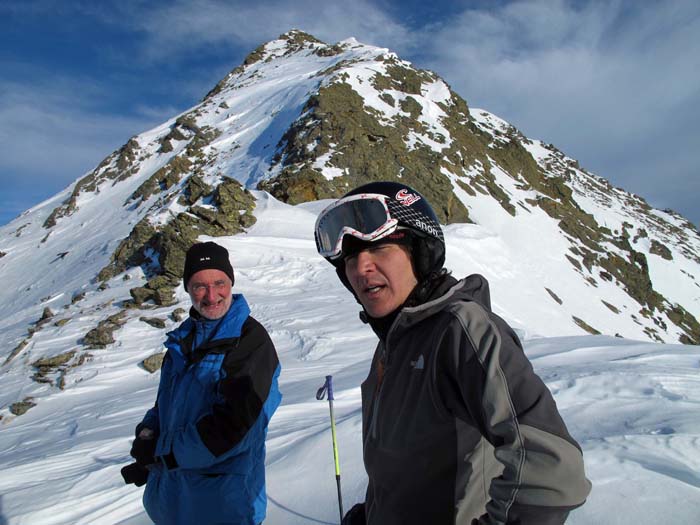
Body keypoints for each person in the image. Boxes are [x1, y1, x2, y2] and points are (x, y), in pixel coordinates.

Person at [314, 181, 591, 525]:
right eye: (351, 259)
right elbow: (409, 471)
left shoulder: (462, 330)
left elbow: (552, 470)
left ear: (419, 251)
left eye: (380, 249)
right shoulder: (394, 344)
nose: (360, 268)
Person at [121, 241, 282, 525]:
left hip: (224, 506)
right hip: (173, 504)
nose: (211, 295)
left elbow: (232, 431)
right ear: (187, 289)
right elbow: (165, 405)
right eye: (199, 285)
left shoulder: (250, 343)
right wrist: (147, 434)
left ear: (230, 283)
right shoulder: (182, 341)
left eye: (219, 283)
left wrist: (163, 453)